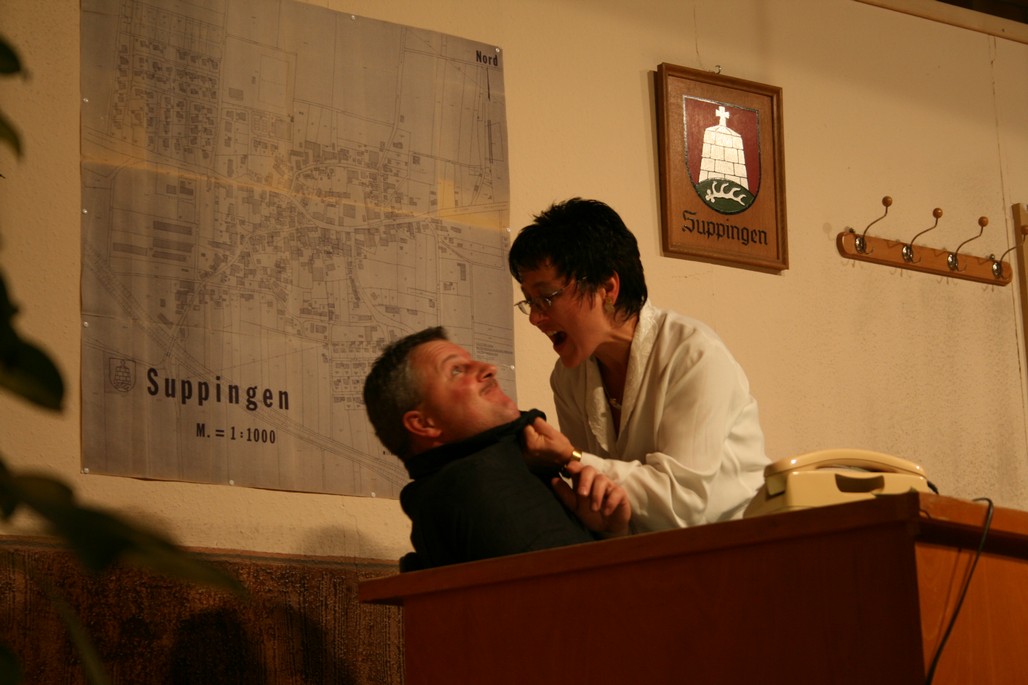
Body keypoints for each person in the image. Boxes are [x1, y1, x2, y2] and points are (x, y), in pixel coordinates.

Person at [508, 198, 769, 533]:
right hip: (651, 550)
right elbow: (597, 499)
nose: (534, 317)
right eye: (529, 301)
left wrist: (571, 457)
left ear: (607, 288)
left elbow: (684, 503)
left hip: (744, 541)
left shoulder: (691, 353)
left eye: (546, 297)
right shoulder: (568, 376)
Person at [363, 326, 631, 571]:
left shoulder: (505, 468)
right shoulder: (478, 483)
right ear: (424, 424)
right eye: (456, 370)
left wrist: (609, 533)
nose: (489, 368)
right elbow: (590, 598)